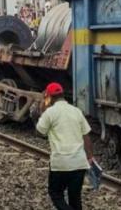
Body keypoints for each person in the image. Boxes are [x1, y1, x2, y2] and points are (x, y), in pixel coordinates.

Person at [36, 82, 94, 210]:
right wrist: (90, 157)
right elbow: (86, 136)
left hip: (60, 163)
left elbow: (40, 131)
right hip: (79, 163)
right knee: (75, 198)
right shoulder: (76, 111)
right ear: (62, 95)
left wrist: (42, 108)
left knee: (55, 193)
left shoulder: (50, 113)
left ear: (49, 97)